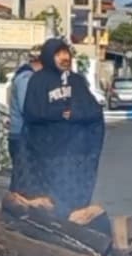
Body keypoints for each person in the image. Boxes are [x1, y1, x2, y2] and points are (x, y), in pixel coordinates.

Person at [23, 39, 105, 219]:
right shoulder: (38, 81)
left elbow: (93, 111)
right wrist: (59, 113)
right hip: (46, 154)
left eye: (66, 53)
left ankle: (75, 225)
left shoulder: (76, 81)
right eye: (59, 54)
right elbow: (31, 112)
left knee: (74, 203)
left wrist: (74, 113)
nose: (64, 58)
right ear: (49, 56)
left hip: (75, 155)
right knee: (49, 201)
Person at [7, 50, 42, 194]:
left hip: (24, 134)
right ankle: (15, 210)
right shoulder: (26, 78)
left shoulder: (27, 77)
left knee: (25, 177)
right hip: (21, 134)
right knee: (23, 178)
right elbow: (26, 106)